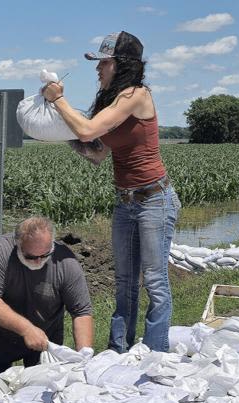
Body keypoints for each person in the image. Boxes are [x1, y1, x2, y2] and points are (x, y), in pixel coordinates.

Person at [42, 30, 182, 352]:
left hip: (154, 201)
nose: (98, 69)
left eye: (103, 62)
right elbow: (96, 153)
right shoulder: (111, 102)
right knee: (124, 283)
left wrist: (59, 101)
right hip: (126, 202)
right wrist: (54, 128)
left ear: (123, 65)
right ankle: (119, 352)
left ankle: (154, 355)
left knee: (156, 282)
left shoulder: (136, 95)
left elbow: (88, 128)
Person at [0, 216, 93, 374]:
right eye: (31, 256)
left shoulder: (67, 264)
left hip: (44, 342)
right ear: (18, 244)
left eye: (45, 255)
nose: (38, 261)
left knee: (40, 393)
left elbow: (81, 312)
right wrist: (27, 330)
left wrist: (85, 355)